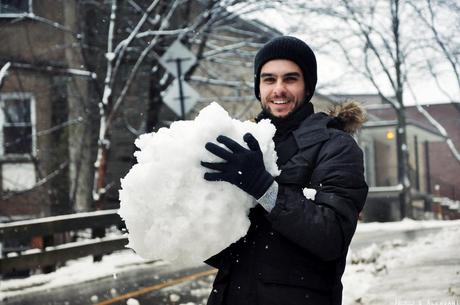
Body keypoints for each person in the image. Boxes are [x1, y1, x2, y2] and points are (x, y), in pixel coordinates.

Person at [201, 36, 368, 305]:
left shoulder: (337, 147)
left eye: (290, 79)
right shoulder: (242, 142)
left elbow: (331, 237)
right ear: (259, 87)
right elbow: (225, 252)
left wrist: (265, 189)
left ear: (308, 86)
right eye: (269, 79)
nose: (278, 89)